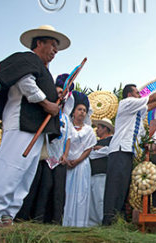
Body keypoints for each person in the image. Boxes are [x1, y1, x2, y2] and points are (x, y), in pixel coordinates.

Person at [0, 25, 70, 227]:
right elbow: (25, 83)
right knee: (10, 168)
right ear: (39, 43)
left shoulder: (44, 69)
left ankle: (7, 216)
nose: (55, 51)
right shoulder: (27, 59)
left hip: (36, 128)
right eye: (52, 45)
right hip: (22, 123)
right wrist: (46, 103)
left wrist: (54, 98)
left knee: (24, 174)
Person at [102, 84, 156, 225]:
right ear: (129, 95)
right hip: (119, 150)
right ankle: (108, 221)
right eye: (136, 93)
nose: (139, 95)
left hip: (128, 152)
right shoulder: (126, 103)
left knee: (123, 187)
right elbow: (151, 98)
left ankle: (119, 220)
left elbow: (152, 105)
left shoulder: (136, 111)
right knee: (115, 187)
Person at [16, 73, 74, 224]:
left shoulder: (66, 118)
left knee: (58, 192)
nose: (62, 96)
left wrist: (65, 155)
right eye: (59, 92)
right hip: (44, 157)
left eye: (64, 94)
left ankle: (55, 222)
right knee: (42, 188)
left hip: (59, 159)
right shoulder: (45, 112)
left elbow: (68, 137)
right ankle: (34, 219)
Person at [63, 91, 97, 227]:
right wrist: (67, 160)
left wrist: (77, 161)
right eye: (79, 109)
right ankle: (66, 222)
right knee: (67, 192)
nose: (82, 112)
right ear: (73, 111)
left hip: (82, 165)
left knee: (81, 194)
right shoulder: (67, 126)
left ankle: (80, 224)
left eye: (84, 110)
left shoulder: (89, 130)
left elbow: (89, 148)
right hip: (67, 164)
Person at [89, 118, 114, 226]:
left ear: (105, 129)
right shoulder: (95, 142)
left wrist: (100, 149)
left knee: (100, 199)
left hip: (103, 173)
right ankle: (93, 222)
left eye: (99, 128)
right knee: (93, 199)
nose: (96, 130)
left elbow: (110, 151)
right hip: (93, 173)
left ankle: (101, 221)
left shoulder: (111, 140)